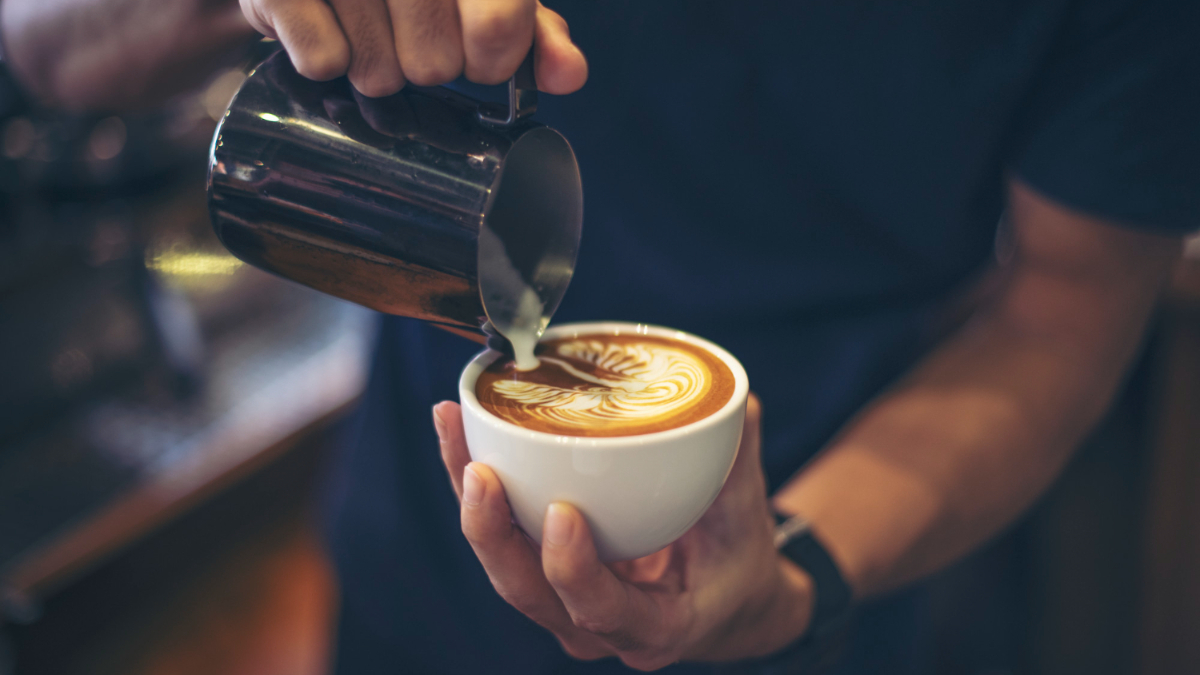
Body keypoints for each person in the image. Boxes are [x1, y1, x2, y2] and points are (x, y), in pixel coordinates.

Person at [3, 0, 1198, 672]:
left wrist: (798, 572)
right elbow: (43, 44)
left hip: (820, 566)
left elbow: (1068, 306)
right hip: (415, 583)